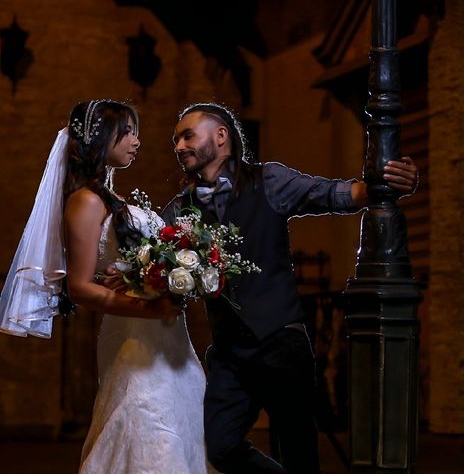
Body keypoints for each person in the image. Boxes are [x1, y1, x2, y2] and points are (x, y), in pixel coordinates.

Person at [159, 102, 419, 474]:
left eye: (187, 135)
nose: (179, 146)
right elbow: (152, 258)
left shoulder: (268, 180)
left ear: (221, 136)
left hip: (280, 340)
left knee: (299, 453)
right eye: (175, 140)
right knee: (221, 447)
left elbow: (337, 194)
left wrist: (390, 184)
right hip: (230, 353)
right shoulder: (177, 211)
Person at [0, 99, 211, 474]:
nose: (136, 141)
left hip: (168, 339)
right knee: (148, 430)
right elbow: (78, 287)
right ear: (99, 139)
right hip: (135, 337)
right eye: (127, 132)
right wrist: (150, 307)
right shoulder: (85, 202)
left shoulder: (113, 199)